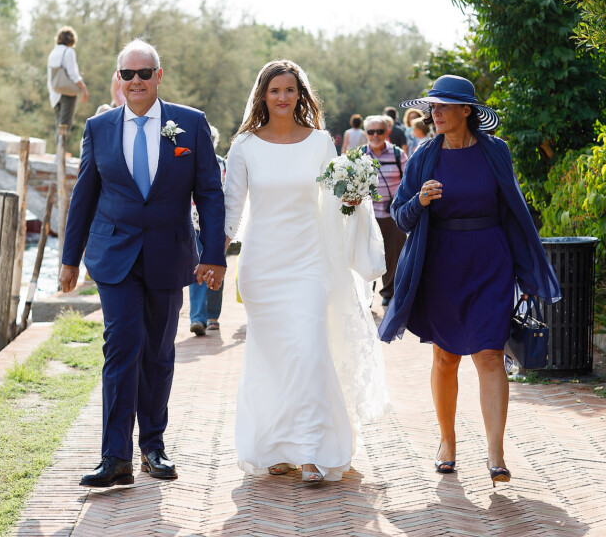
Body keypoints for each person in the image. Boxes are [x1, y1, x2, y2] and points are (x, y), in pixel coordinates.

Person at [378, 75, 561, 487]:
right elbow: (399, 213)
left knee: (490, 355)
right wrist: (421, 199)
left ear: (467, 111)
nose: (435, 113)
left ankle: (496, 454)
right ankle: (447, 441)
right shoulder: (424, 154)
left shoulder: (496, 151)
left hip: (489, 262)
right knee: (445, 357)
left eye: (443, 106)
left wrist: (526, 272)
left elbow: (513, 211)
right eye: (432, 107)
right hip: (441, 263)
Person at [59, 39, 227, 488]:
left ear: (158, 76)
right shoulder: (99, 128)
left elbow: (209, 194)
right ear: (118, 79)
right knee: (121, 346)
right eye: (127, 74)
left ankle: (153, 446)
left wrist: (214, 255)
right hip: (114, 256)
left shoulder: (189, 125)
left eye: (144, 73)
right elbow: (84, 196)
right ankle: (114, 457)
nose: (136, 81)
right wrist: (69, 259)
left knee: (157, 351)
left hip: (169, 253)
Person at [224, 60, 389, 483]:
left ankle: (315, 450)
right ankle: (277, 448)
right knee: (273, 355)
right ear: (263, 94)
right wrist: (211, 255)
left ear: (301, 95)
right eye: (275, 90)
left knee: (311, 351)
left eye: (290, 90)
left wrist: (352, 200)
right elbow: (231, 208)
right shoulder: (244, 145)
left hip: (309, 262)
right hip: (261, 265)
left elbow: (332, 200)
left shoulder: (319, 143)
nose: (283, 97)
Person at [363, 115, 408, 307]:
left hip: (393, 215)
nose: (375, 135)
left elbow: (409, 181)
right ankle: (366, 294)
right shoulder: (359, 156)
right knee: (366, 256)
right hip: (367, 215)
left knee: (393, 255)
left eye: (380, 131)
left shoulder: (398, 155)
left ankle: (389, 293)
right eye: (371, 131)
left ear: (387, 132)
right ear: (366, 133)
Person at [189, 124, 226, 335]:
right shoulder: (188, 162)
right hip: (193, 224)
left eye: (211, 139)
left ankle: (213, 315)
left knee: (217, 268)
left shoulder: (223, 164)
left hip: (217, 227)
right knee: (196, 270)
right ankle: (197, 319)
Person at [47, 26, 89, 137]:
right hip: (67, 93)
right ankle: (60, 152)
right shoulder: (69, 51)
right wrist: (84, 88)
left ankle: (59, 151)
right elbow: (73, 74)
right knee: (65, 126)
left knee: (59, 125)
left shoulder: (53, 52)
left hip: (54, 93)